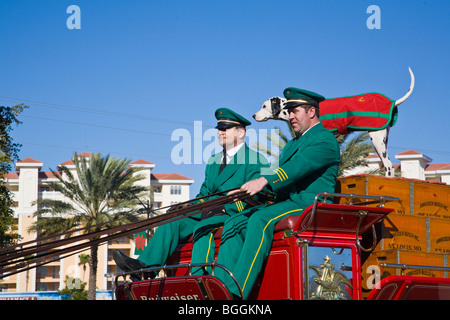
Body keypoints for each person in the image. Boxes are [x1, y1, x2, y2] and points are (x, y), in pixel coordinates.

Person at [214, 87, 341, 299]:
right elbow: (276, 171)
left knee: (259, 220)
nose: (290, 116)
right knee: (235, 221)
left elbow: (297, 168)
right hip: (286, 201)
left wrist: (263, 180)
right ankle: (221, 286)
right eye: (289, 111)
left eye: (295, 111)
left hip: (308, 204)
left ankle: (237, 293)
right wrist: (247, 190)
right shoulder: (293, 144)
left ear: (311, 112)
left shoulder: (325, 140)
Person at [113, 108, 269, 279]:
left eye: (226, 129)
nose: (221, 133)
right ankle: (145, 268)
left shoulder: (255, 159)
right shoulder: (214, 160)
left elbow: (259, 197)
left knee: (203, 227)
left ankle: (201, 277)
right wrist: (188, 207)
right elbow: (204, 193)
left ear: (241, 133)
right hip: (208, 209)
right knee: (172, 220)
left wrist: (229, 205)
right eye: (219, 129)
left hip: (231, 213)